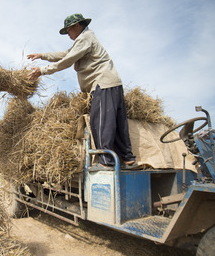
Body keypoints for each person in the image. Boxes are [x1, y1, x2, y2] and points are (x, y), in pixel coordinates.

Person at [27, 13, 136, 169]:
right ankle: (128, 158)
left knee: (100, 121)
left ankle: (106, 162)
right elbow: (66, 54)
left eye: (69, 31)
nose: (68, 35)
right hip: (112, 83)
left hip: (102, 83)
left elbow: (67, 60)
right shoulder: (84, 40)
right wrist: (43, 55)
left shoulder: (85, 38)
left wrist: (42, 71)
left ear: (77, 26)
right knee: (118, 122)